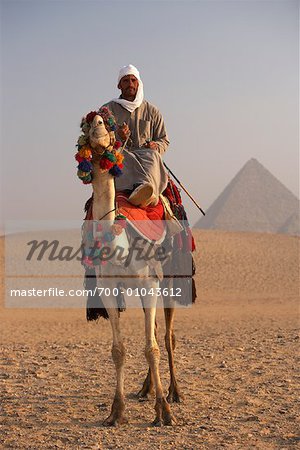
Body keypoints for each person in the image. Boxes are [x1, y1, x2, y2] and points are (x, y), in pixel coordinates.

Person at [103, 64, 169, 207]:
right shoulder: (108, 110)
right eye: (126, 81)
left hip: (146, 156)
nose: (130, 84)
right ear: (119, 85)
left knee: (153, 156)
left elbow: (163, 140)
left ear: (139, 83)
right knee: (122, 157)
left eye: (133, 80)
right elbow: (100, 139)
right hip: (122, 155)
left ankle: (145, 191)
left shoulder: (152, 111)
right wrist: (117, 136)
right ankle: (134, 189)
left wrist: (155, 145)